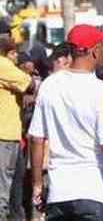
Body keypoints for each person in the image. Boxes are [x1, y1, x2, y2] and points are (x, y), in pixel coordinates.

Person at [28, 25, 103, 221]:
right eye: (101, 46)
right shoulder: (101, 91)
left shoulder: (49, 86)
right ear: (94, 51)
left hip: (59, 193)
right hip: (95, 192)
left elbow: (36, 139)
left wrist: (37, 185)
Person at [0, 35, 32, 221]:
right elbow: (29, 83)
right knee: (4, 190)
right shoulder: (3, 65)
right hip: (4, 136)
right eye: (13, 52)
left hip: (10, 135)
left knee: (11, 188)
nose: (16, 57)